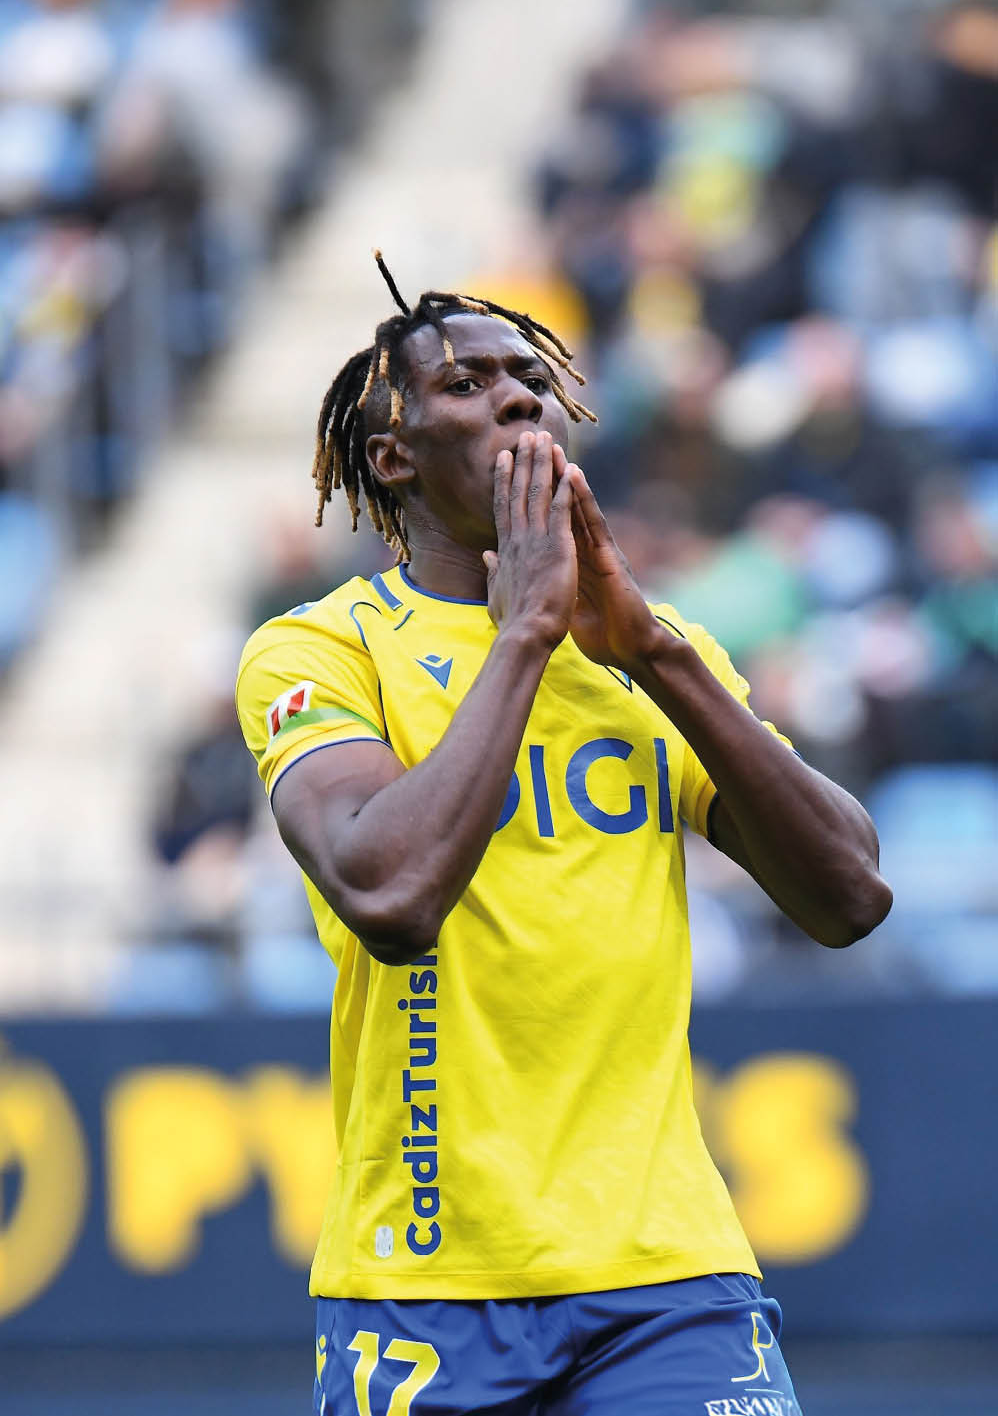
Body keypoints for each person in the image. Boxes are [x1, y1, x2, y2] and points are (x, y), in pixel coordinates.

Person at [234, 255, 893, 1416]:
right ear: (392, 453)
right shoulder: (320, 650)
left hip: (667, 1279)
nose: (519, 394)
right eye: (468, 382)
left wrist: (654, 652)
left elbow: (848, 893)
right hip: (426, 1286)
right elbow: (386, 895)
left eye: (533, 377)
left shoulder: (650, 653)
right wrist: (525, 635)